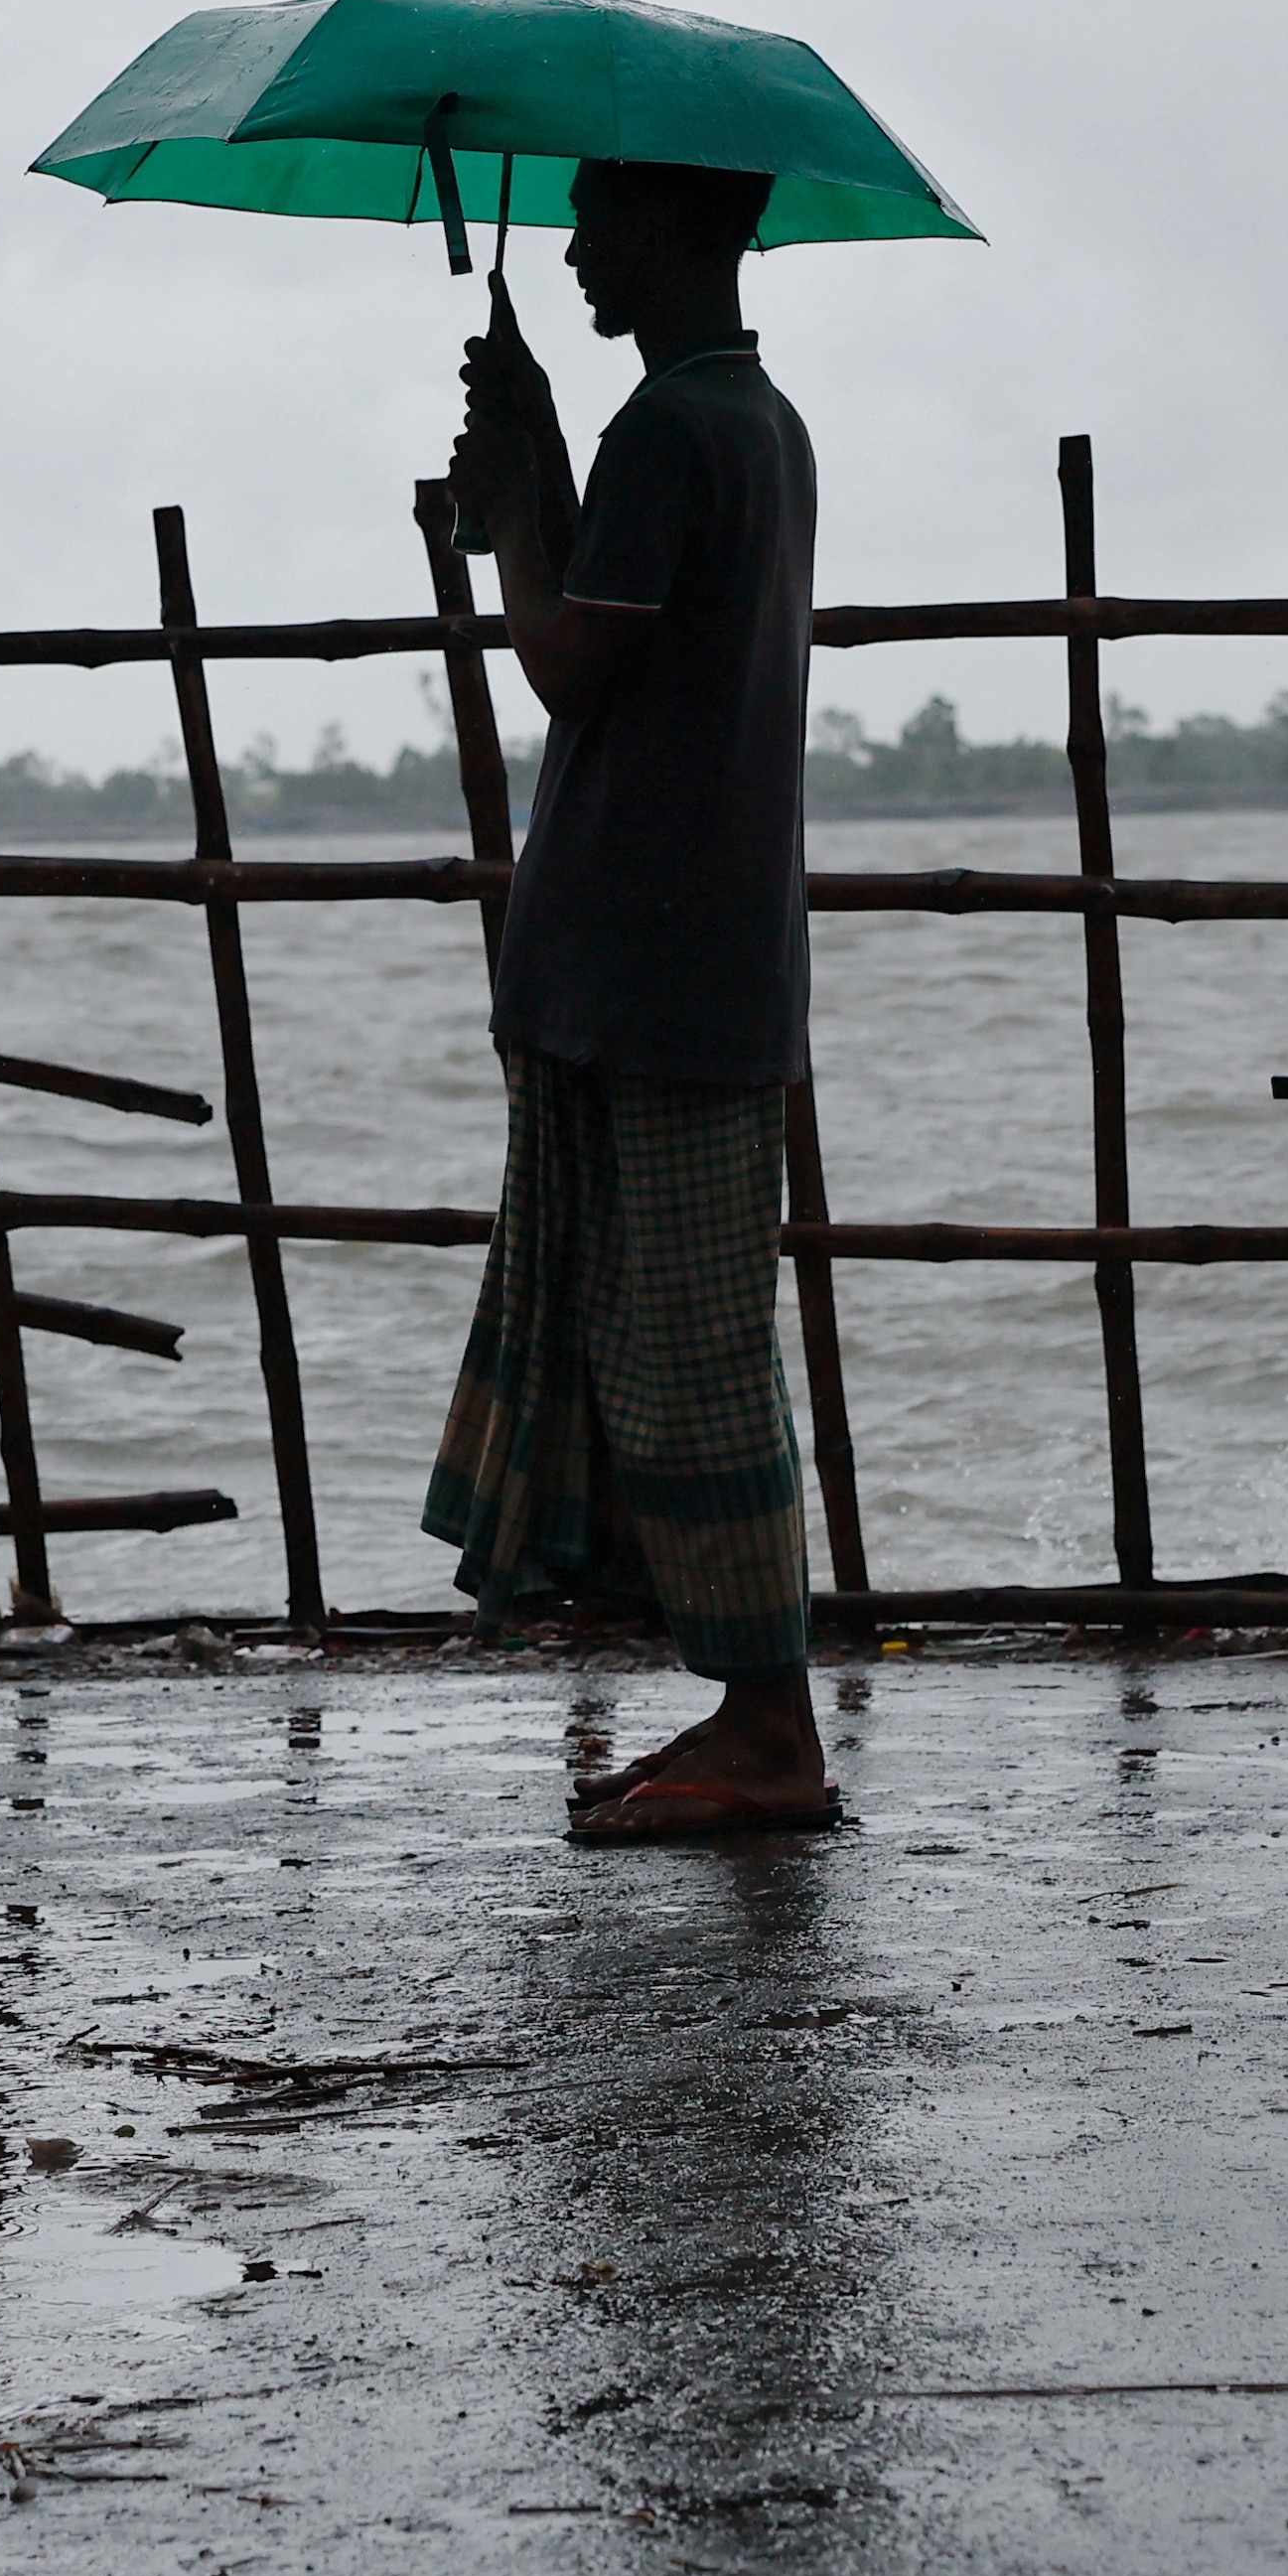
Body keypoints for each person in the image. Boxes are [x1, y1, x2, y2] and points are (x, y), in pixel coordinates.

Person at [419, 159, 835, 1840]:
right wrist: (532, 457)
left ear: (675, 228)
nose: (579, 246)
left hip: (649, 963)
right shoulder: (756, 421)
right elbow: (628, 625)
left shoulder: (674, 428)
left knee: (689, 1354)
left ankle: (773, 1727)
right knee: (666, 1336)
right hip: (681, 952)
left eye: (600, 217)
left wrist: (518, 507)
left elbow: (569, 661)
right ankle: (747, 1706)